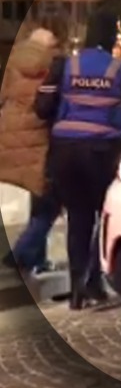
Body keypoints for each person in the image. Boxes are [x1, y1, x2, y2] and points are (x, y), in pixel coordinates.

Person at [34, 14, 121, 309]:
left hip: (65, 152)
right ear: (112, 38)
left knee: (78, 219)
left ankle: (77, 289)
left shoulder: (65, 65)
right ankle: (93, 281)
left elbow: (42, 108)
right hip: (102, 153)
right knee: (103, 215)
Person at [0, 28, 59, 276]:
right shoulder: (52, 67)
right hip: (39, 137)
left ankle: (37, 258)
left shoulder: (12, 64)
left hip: (9, 135)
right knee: (50, 202)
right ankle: (21, 254)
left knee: (41, 197)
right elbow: (52, 103)